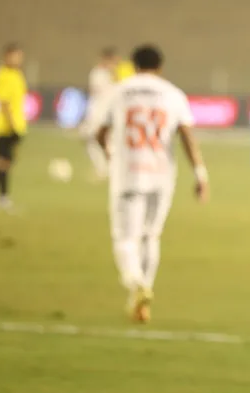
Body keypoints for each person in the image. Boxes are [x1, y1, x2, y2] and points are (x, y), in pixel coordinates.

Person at [95, 45, 209, 323]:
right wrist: (200, 174)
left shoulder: (119, 91)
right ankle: (142, 298)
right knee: (150, 236)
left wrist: (110, 154)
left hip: (128, 173)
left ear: (134, 65)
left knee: (125, 238)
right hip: (161, 175)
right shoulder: (173, 94)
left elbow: (100, 133)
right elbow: (187, 135)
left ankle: (136, 285)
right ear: (160, 66)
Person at [0, 43, 27, 211]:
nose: (18, 59)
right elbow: (4, 102)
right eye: (16, 56)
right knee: (0, 162)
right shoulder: (2, 74)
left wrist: (19, 127)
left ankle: (3, 197)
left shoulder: (18, 75)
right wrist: (12, 125)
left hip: (17, 126)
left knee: (7, 163)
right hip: (4, 127)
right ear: (7, 56)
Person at [82, 47, 119, 181]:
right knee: (91, 139)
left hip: (108, 114)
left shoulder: (114, 76)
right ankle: (103, 168)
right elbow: (97, 93)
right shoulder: (98, 74)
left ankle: (107, 169)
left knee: (107, 141)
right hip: (96, 113)